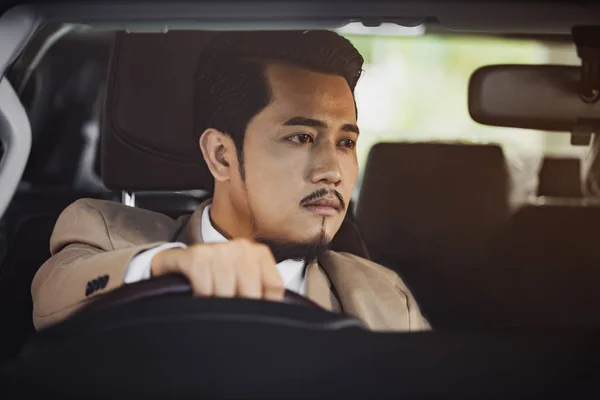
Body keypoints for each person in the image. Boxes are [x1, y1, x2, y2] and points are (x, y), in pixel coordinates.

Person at [31, 30, 430, 331]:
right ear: (221, 154)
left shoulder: (383, 299)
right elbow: (52, 298)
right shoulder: (109, 235)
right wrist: (169, 266)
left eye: (346, 142)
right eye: (301, 137)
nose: (333, 170)